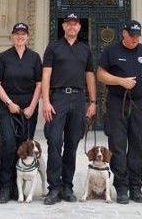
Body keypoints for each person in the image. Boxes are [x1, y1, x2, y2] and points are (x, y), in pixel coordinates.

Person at [95, 20, 142, 204]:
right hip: (117, 103)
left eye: (137, 36)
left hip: (139, 104)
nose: (134, 39)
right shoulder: (111, 51)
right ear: (123, 33)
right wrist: (120, 81)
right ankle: (122, 187)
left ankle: (135, 187)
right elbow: (100, 74)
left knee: (138, 145)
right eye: (131, 35)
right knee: (118, 146)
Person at [40, 12, 97, 205]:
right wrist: (45, 101)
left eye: (75, 24)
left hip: (79, 99)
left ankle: (67, 187)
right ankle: (54, 188)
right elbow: (46, 76)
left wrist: (93, 102)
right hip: (58, 98)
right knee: (55, 142)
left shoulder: (85, 49)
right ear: (63, 27)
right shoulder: (53, 47)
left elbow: (90, 75)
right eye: (68, 24)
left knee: (72, 144)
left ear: (79, 27)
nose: (72, 27)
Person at [0, 22, 43, 204]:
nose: (20, 37)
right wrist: (9, 102)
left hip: (29, 107)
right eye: (17, 34)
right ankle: (5, 187)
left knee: (25, 147)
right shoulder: (4, 57)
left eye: (23, 34)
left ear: (28, 37)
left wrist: (32, 106)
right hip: (8, 106)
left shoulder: (35, 57)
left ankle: (19, 188)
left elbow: (39, 83)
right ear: (12, 36)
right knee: (8, 144)